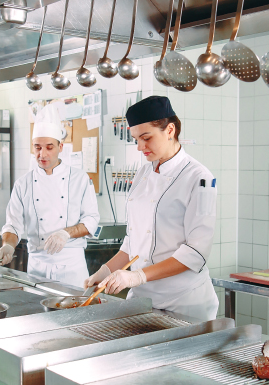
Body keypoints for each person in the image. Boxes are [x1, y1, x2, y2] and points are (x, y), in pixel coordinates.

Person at [84, 95, 219, 320]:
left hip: (184, 301)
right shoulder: (143, 173)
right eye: (136, 139)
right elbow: (133, 241)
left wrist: (136, 277)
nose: (139, 147)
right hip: (142, 300)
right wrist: (105, 271)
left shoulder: (200, 178)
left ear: (170, 130)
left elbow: (195, 253)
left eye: (146, 138)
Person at [0, 109, 98, 287]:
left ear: (61, 147)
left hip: (72, 268)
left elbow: (91, 220)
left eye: (49, 147)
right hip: (37, 268)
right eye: (37, 147)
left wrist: (65, 233)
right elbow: (13, 225)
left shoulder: (80, 179)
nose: (42, 154)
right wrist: (8, 245)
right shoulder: (23, 184)